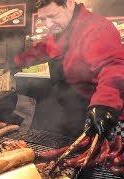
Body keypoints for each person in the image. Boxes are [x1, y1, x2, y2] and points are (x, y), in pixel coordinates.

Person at [14, 0, 124, 138]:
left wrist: (105, 104)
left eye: (53, 16)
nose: (48, 24)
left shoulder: (96, 28)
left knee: (105, 157)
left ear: (70, 4)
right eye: (43, 19)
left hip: (103, 112)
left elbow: (113, 66)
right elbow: (45, 48)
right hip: (76, 108)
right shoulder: (60, 30)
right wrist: (16, 62)